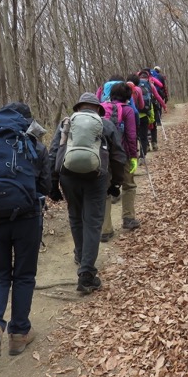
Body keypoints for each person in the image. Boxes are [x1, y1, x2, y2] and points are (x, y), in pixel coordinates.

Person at [0, 102, 50, 359]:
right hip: (27, 218)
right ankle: (19, 334)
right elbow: (46, 185)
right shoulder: (35, 146)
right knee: (24, 275)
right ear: (27, 122)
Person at [48, 93, 126, 294]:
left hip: (68, 176)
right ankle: (87, 274)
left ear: (79, 108)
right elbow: (118, 156)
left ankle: (81, 255)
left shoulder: (66, 123)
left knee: (75, 217)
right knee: (92, 221)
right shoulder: (106, 124)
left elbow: (54, 152)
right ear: (97, 109)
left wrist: (53, 184)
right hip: (97, 177)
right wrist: (116, 182)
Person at [100, 82, 140, 241]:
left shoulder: (101, 108)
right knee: (128, 185)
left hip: (102, 155)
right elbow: (131, 136)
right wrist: (133, 157)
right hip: (121, 155)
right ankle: (128, 219)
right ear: (128, 96)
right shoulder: (128, 110)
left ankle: (105, 229)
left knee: (105, 190)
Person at [139, 69, 167, 152]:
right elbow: (158, 96)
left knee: (143, 129)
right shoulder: (150, 84)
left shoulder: (136, 85)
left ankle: (146, 145)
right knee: (153, 125)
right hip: (150, 107)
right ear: (148, 77)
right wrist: (164, 106)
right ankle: (154, 143)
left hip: (140, 109)